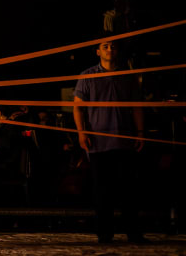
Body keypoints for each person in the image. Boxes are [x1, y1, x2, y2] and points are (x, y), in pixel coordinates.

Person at [73, 40, 146, 244]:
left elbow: (137, 107)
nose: (109, 49)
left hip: (125, 141)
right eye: (105, 46)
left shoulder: (128, 76)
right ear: (98, 51)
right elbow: (78, 107)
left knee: (129, 191)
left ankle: (133, 233)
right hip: (98, 143)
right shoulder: (87, 76)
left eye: (113, 46)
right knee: (102, 191)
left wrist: (140, 133)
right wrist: (81, 133)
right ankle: (105, 234)